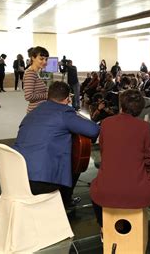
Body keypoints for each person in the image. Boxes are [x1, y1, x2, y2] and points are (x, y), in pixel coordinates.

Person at [90, 89, 150, 247]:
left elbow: (104, 151)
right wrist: (145, 177)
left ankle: (103, 229)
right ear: (140, 109)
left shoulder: (106, 123)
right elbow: (148, 159)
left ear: (121, 105)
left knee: (95, 186)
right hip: (137, 191)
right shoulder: (143, 127)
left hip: (106, 190)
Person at [14, 81, 100, 210]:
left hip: (16, 176)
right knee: (75, 163)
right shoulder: (63, 113)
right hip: (41, 181)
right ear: (67, 99)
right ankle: (65, 201)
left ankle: (65, 200)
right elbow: (93, 130)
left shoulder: (33, 112)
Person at [23, 47, 49, 113]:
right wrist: (48, 95)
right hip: (35, 112)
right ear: (33, 58)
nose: (44, 62)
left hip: (40, 110)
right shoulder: (30, 73)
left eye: (46, 59)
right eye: (41, 59)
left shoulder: (36, 72)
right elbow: (28, 96)